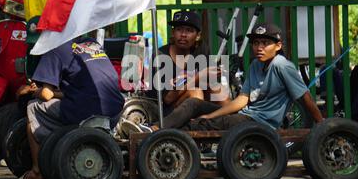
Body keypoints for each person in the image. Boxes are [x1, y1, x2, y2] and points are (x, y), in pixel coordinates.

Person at [133, 23, 323, 133]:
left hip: (259, 122)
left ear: (278, 46)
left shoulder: (282, 66)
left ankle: (160, 139)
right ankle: (154, 128)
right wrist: (213, 114)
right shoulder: (256, 65)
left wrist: (322, 125)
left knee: (197, 124)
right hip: (245, 115)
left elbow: (305, 97)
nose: (259, 48)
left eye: (265, 43)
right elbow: (242, 100)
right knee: (194, 105)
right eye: (256, 43)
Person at [15, 36, 125, 179]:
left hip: (86, 112)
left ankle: (37, 173)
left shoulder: (55, 47)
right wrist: (54, 93)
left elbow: (46, 95)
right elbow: (81, 89)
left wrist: (32, 91)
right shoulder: (92, 43)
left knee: (33, 107)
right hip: (114, 110)